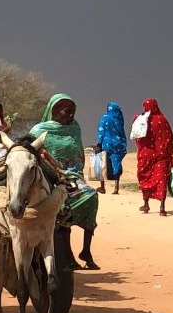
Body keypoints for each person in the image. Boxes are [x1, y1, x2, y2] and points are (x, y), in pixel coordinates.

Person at [29, 94, 100, 268]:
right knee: (62, 208)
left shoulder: (74, 128)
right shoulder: (39, 131)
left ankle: (86, 251)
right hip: (50, 176)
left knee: (91, 197)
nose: (70, 116)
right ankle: (67, 254)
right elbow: (33, 156)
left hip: (73, 175)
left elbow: (78, 153)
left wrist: (74, 172)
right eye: (67, 112)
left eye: (73, 113)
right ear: (54, 111)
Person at [134, 98, 173, 215]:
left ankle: (146, 204)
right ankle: (162, 208)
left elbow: (136, 136)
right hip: (161, 155)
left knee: (145, 177)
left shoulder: (142, 120)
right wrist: (169, 154)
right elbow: (169, 137)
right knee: (161, 180)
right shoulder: (163, 120)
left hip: (146, 155)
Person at [96, 102, 128, 195]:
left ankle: (102, 187)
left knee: (103, 163)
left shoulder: (104, 118)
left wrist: (99, 143)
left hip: (107, 144)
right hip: (119, 144)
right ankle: (116, 187)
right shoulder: (119, 119)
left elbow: (101, 131)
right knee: (116, 163)